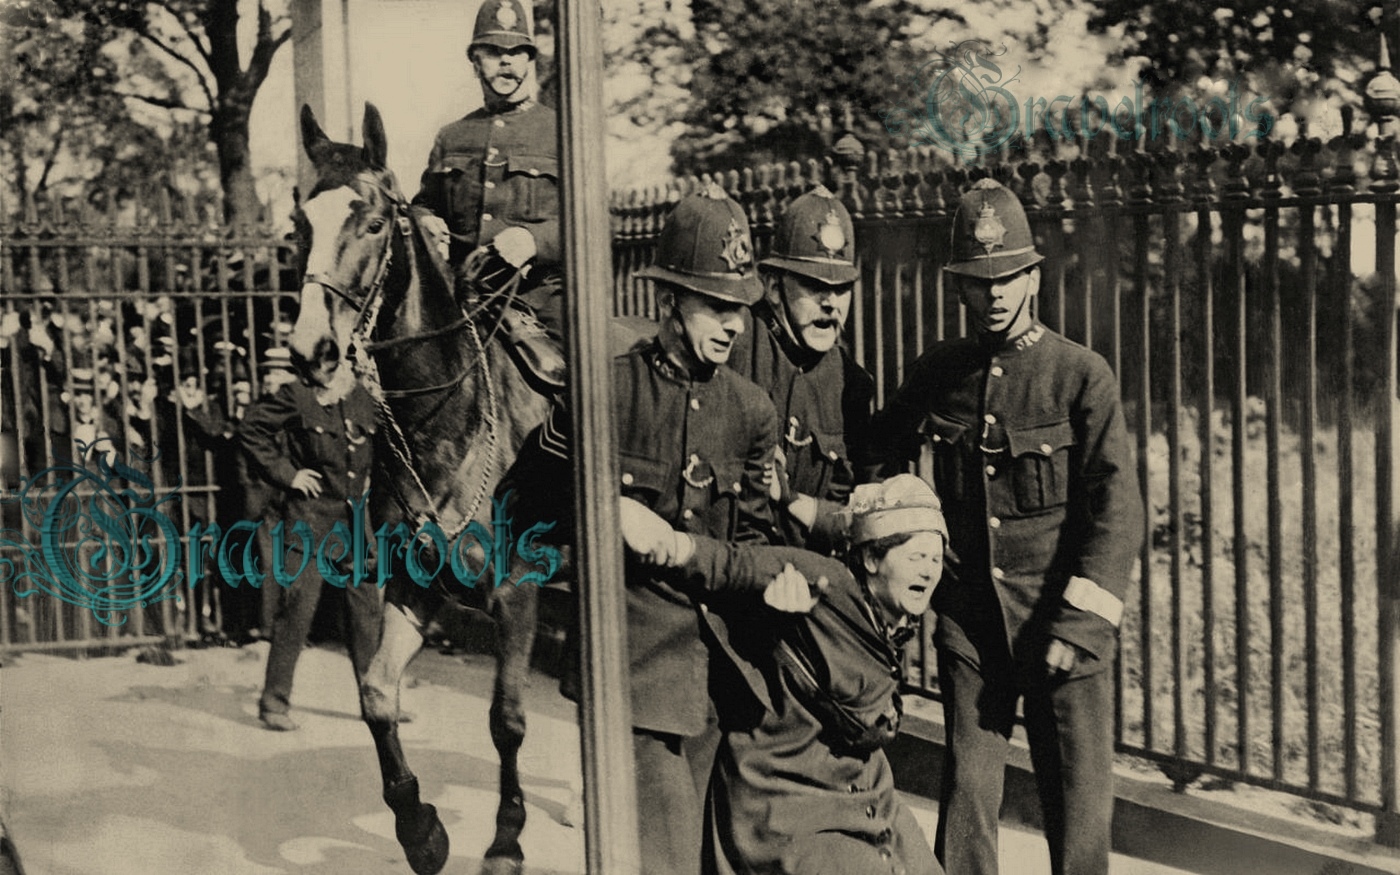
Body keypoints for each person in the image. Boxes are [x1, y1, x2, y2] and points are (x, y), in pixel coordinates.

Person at [498, 184, 780, 875]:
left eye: (739, 308)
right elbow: (519, 507)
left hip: (722, 679)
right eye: (715, 305)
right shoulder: (604, 391)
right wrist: (599, 508)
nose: (733, 325)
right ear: (669, 303)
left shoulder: (750, 411)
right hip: (632, 669)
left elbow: (754, 554)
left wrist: (686, 547)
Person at [873, 178, 1143, 875]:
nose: (994, 293)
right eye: (978, 280)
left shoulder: (1081, 375)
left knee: (1077, 802)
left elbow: (1116, 511)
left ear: (1034, 275)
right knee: (967, 790)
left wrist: (1081, 625)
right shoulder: (941, 371)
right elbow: (879, 452)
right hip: (972, 623)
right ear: (960, 286)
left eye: (1009, 276)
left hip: (1059, 622)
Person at [620, 473, 948, 875]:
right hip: (788, 792)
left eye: (935, 560)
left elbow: (835, 520)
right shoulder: (822, 580)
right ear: (871, 559)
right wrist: (671, 546)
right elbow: (733, 564)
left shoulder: (894, 619)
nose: (929, 572)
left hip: (862, 791)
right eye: (916, 558)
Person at [413, 0, 564, 392]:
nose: (506, 63)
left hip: (541, 300)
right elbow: (423, 203)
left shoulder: (560, 131)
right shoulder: (453, 135)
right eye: (494, 52)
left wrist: (535, 240)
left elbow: (601, 222)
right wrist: (424, 220)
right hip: (461, 302)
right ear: (475, 61)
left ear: (529, 61)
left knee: (577, 387)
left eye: (517, 52)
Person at [239, 349, 382, 732]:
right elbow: (251, 429)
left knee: (367, 614)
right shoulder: (297, 396)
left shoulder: (364, 397)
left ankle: (377, 701)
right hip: (310, 523)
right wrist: (288, 474)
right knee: (296, 612)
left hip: (354, 525)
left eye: (334, 365)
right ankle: (274, 703)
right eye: (319, 367)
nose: (327, 373)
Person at [732, 184, 875, 551]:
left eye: (841, 287)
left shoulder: (851, 384)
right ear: (775, 288)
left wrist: (794, 501)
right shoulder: (735, 345)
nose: (830, 303)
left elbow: (855, 510)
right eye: (814, 286)